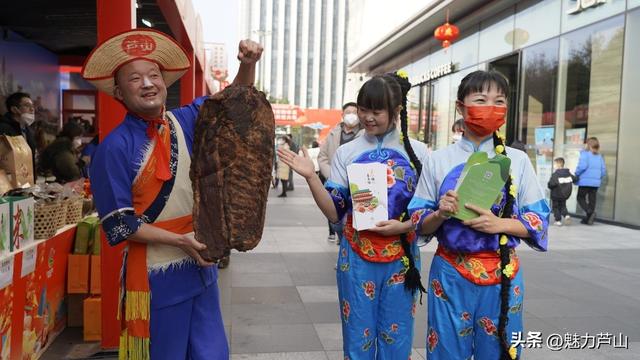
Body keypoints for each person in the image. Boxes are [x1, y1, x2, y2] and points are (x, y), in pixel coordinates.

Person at [82, 29, 262, 359]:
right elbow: (120, 226)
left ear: (165, 83)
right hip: (156, 274)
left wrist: (248, 64)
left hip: (200, 264)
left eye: (154, 75)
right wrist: (182, 242)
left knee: (212, 353)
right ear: (119, 92)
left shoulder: (186, 120)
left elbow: (233, 100)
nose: (148, 83)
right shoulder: (113, 149)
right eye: (135, 79)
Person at [278, 71, 428, 359]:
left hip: (402, 258)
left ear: (396, 111)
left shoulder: (418, 153)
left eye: (376, 110)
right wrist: (311, 178)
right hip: (357, 259)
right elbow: (335, 211)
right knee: (357, 339)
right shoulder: (347, 153)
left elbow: (429, 212)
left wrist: (403, 226)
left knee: (397, 340)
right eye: (363, 110)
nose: (368, 117)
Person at [409, 70, 549, 360]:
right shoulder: (438, 159)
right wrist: (440, 213)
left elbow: (538, 219)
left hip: (502, 274)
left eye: (499, 101)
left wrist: (501, 224)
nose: (491, 108)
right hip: (449, 272)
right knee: (446, 351)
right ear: (461, 107)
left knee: (499, 351)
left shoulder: (518, 160)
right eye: (481, 99)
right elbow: (417, 218)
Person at [317, 102, 363, 242]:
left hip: (356, 184)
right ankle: (341, 240)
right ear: (342, 115)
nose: (351, 116)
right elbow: (322, 157)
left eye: (354, 112)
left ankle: (348, 246)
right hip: (335, 181)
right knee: (335, 215)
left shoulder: (365, 134)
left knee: (354, 219)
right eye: (348, 112)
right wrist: (332, 174)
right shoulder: (333, 133)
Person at [1, 92, 37, 170]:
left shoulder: (29, 130)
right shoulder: (3, 129)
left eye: (32, 106)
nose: (32, 109)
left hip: (27, 177)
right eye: (27, 105)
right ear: (14, 109)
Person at [575, 137, 606, 225]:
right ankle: (588, 219)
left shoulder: (585, 154)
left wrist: (576, 173)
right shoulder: (599, 157)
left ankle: (590, 212)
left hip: (585, 181)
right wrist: (597, 178)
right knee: (592, 200)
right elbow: (603, 170)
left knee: (580, 197)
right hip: (595, 183)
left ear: (588, 145)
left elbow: (582, 166)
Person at [548, 157, 577, 226]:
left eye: (555, 164)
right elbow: (575, 179)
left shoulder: (556, 174)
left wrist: (549, 186)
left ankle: (558, 220)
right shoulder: (568, 173)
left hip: (556, 194)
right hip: (565, 194)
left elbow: (551, 184)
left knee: (556, 207)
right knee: (563, 206)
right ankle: (566, 215)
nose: (554, 166)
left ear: (558, 164)